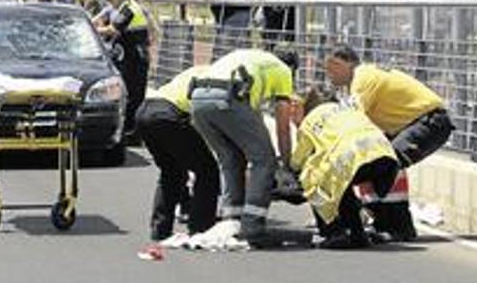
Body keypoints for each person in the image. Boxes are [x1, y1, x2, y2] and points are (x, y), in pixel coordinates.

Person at [325, 43, 455, 239]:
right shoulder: (360, 80)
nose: (329, 74)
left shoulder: (362, 78)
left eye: (333, 66)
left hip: (429, 122)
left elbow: (353, 120)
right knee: (376, 161)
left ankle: (398, 227)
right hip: (418, 124)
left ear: (348, 63)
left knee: (385, 164)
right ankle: (384, 223)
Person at [188, 44, 300, 247]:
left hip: (198, 99)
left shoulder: (251, 58)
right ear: (292, 67)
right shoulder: (283, 70)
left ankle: (231, 221)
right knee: (264, 160)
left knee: (231, 159)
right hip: (229, 98)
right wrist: (285, 165)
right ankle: (253, 227)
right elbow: (283, 127)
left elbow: (249, 120)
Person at [289, 87, 400, 249]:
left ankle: (334, 232)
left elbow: (298, 160)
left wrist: (290, 170)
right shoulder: (347, 109)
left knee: (313, 179)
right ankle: (358, 235)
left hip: (352, 157)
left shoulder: (309, 122)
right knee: (341, 184)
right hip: (386, 155)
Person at [136, 65, 219, 242]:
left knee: (172, 172)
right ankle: (201, 227)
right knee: (207, 170)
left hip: (144, 111)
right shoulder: (218, 78)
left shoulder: (198, 70)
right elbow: (204, 118)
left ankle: (160, 229)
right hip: (168, 115)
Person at [96, 0, 150, 142]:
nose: (108, 1)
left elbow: (113, 30)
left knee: (134, 95)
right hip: (131, 57)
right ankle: (130, 131)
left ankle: (134, 133)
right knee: (130, 94)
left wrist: (94, 30)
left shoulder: (129, 9)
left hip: (136, 59)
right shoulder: (124, 8)